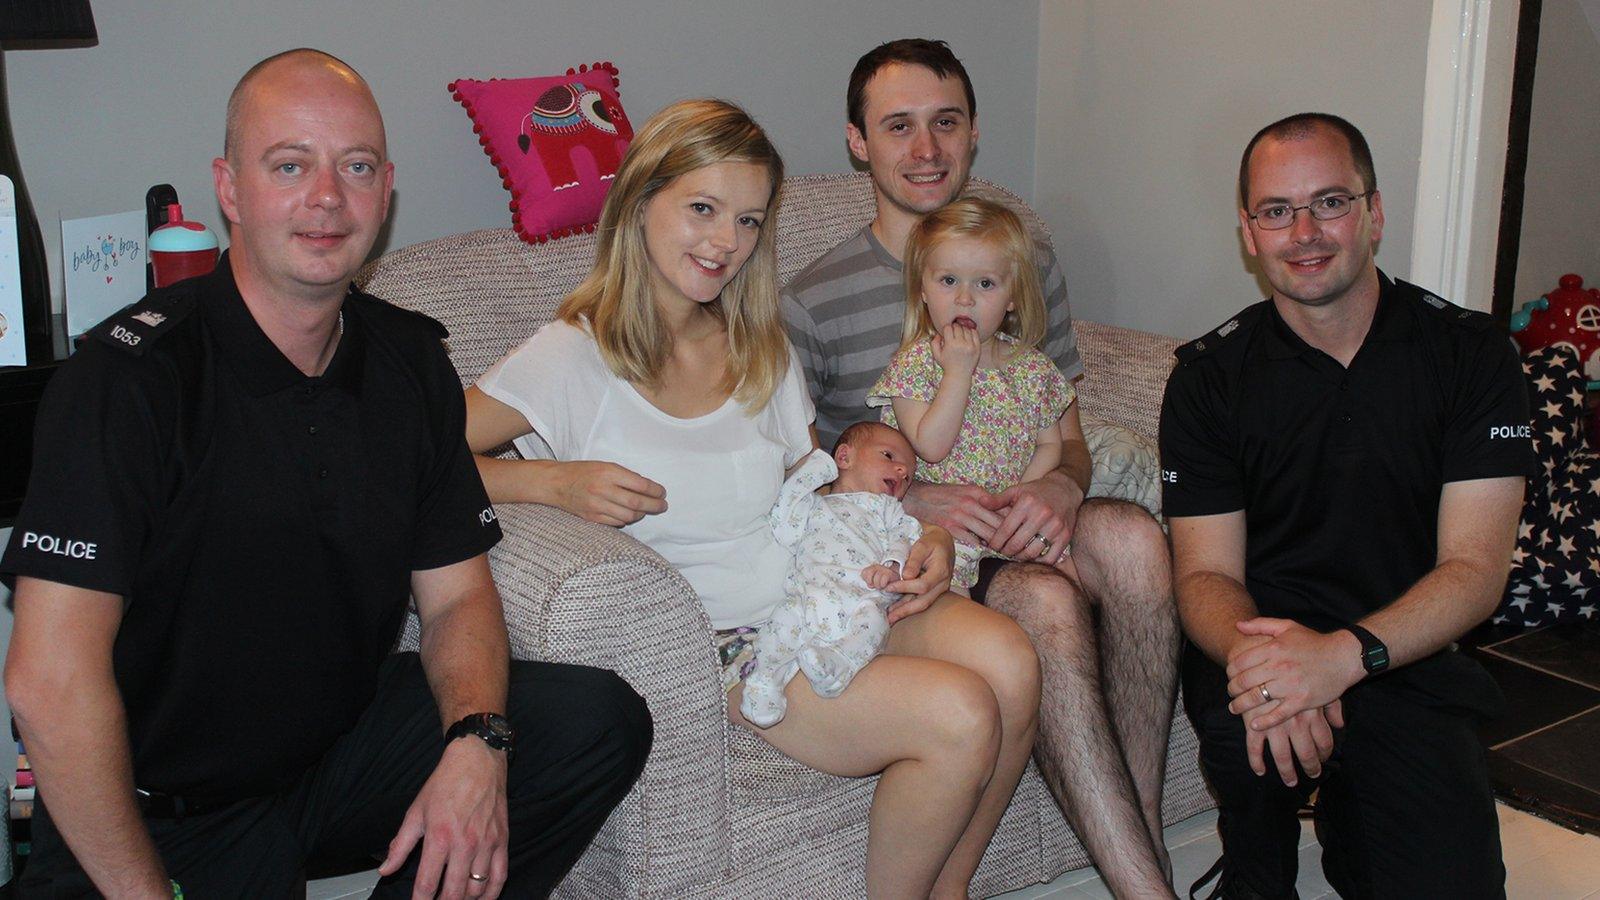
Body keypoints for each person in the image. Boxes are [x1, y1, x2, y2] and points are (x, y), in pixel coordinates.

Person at [0, 49, 650, 899]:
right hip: (158, 816)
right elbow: (49, 686)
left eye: (356, 167)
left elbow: (456, 596)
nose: (327, 198)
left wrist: (477, 743)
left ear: (386, 189)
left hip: (330, 758)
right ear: (229, 189)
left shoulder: (408, 361)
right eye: (289, 165)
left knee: (591, 722)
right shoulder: (127, 383)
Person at [464, 97, 1040, 899]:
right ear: (638, 202)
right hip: (731, 644)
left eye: (748, 221)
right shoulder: (572, 354)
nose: (726, 243)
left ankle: (951, 887)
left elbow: (819, 483)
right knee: (960, 712)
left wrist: (911, 533)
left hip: (827, 588)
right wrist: (547, 481)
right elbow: (416, 460)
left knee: (1012, 659)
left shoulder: (759, 346)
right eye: (703, 209)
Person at [781, 38, 1179, 896]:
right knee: (1044, 599)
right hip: (927, 536)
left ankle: (1140, 833)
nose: (926, 150)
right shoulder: (811, 296)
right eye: (899, 127)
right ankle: (1143, 887)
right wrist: (911, 488)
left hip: (1020, 501)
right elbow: (800, 458)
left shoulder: (1017, 259)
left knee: (1138, 541)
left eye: (946, 123)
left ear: (972, 135)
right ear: (859, 142)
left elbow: (1062, 425)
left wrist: (1064, 483)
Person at [1160, 112, 1531, 898]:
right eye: (1276, 211)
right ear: (1248, 233)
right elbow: (1202, 578)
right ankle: (1256, 861)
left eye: (1330, 202)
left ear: (1375, 212)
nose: (1304, 231)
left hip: (1403, 654)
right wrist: (1272, 667)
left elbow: (1475, 571)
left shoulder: (1470, 355)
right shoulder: (1207, 379)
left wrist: (1338, 660)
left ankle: (1356, 817)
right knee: (1247, 750)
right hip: (1259, 651)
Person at [869, 197, 1074, 591]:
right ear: (923, 290)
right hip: (939, 532)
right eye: (948, 281)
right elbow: (931, 446)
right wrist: (958, 372)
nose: (965, 298)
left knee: (1070, 585)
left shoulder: (1032, 368)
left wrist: (1017, 497)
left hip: (1010, 523)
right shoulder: (913, 366)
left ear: (1012, 296)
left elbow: (1051, 443)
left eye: (985, 283)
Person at [741, 421, 924, 727]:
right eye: (890, 456)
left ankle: (838, 664)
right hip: (808, 596)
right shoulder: (813, 505)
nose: (902, 472)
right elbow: (783, 523)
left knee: (874, 625)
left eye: (908, 475)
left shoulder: (887, 510)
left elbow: (905, 536)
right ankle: (766, 681)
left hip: (861, 599)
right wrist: (814, 472)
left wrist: (891, 566)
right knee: (783, 621)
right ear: (844, 457)